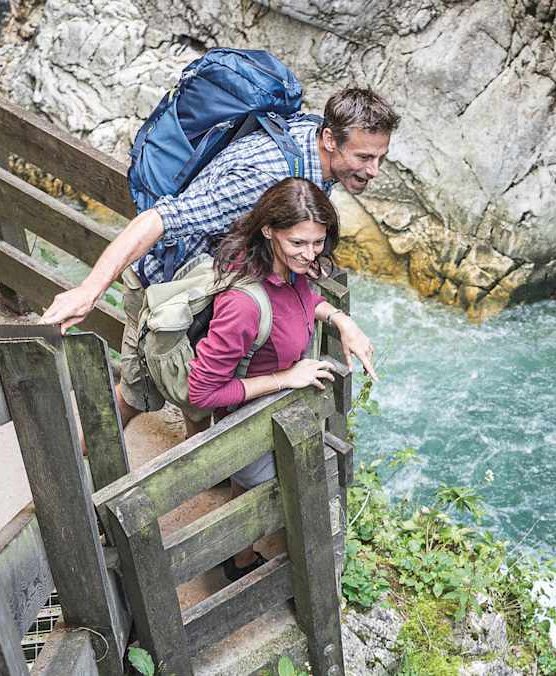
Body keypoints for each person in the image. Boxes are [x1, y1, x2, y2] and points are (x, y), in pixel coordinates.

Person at [40, 86, 398, 431]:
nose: (374, 170)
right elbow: (158, 219)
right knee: (137, 397)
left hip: (216, 284)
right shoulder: (263, 176)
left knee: (198, 406)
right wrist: (89, 291)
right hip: (168, 287)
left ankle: (198, 455)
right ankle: (75, 461)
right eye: (364, 158)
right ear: (330, 139)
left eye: (380, 157)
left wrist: (332, 310)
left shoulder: (317, 154)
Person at [188, 177, 343, 579]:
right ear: (269, 230)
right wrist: (286, 377)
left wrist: (341, 321)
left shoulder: (288, 268)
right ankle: (250, 561)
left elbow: (300, 301)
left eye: (318, 242)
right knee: (290, 488)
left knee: (248, 488)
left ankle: (238, 558)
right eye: (298, 242)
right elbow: (202, 393)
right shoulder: (243, 305)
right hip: (249, 423)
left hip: (270, 414)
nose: (310, 254)